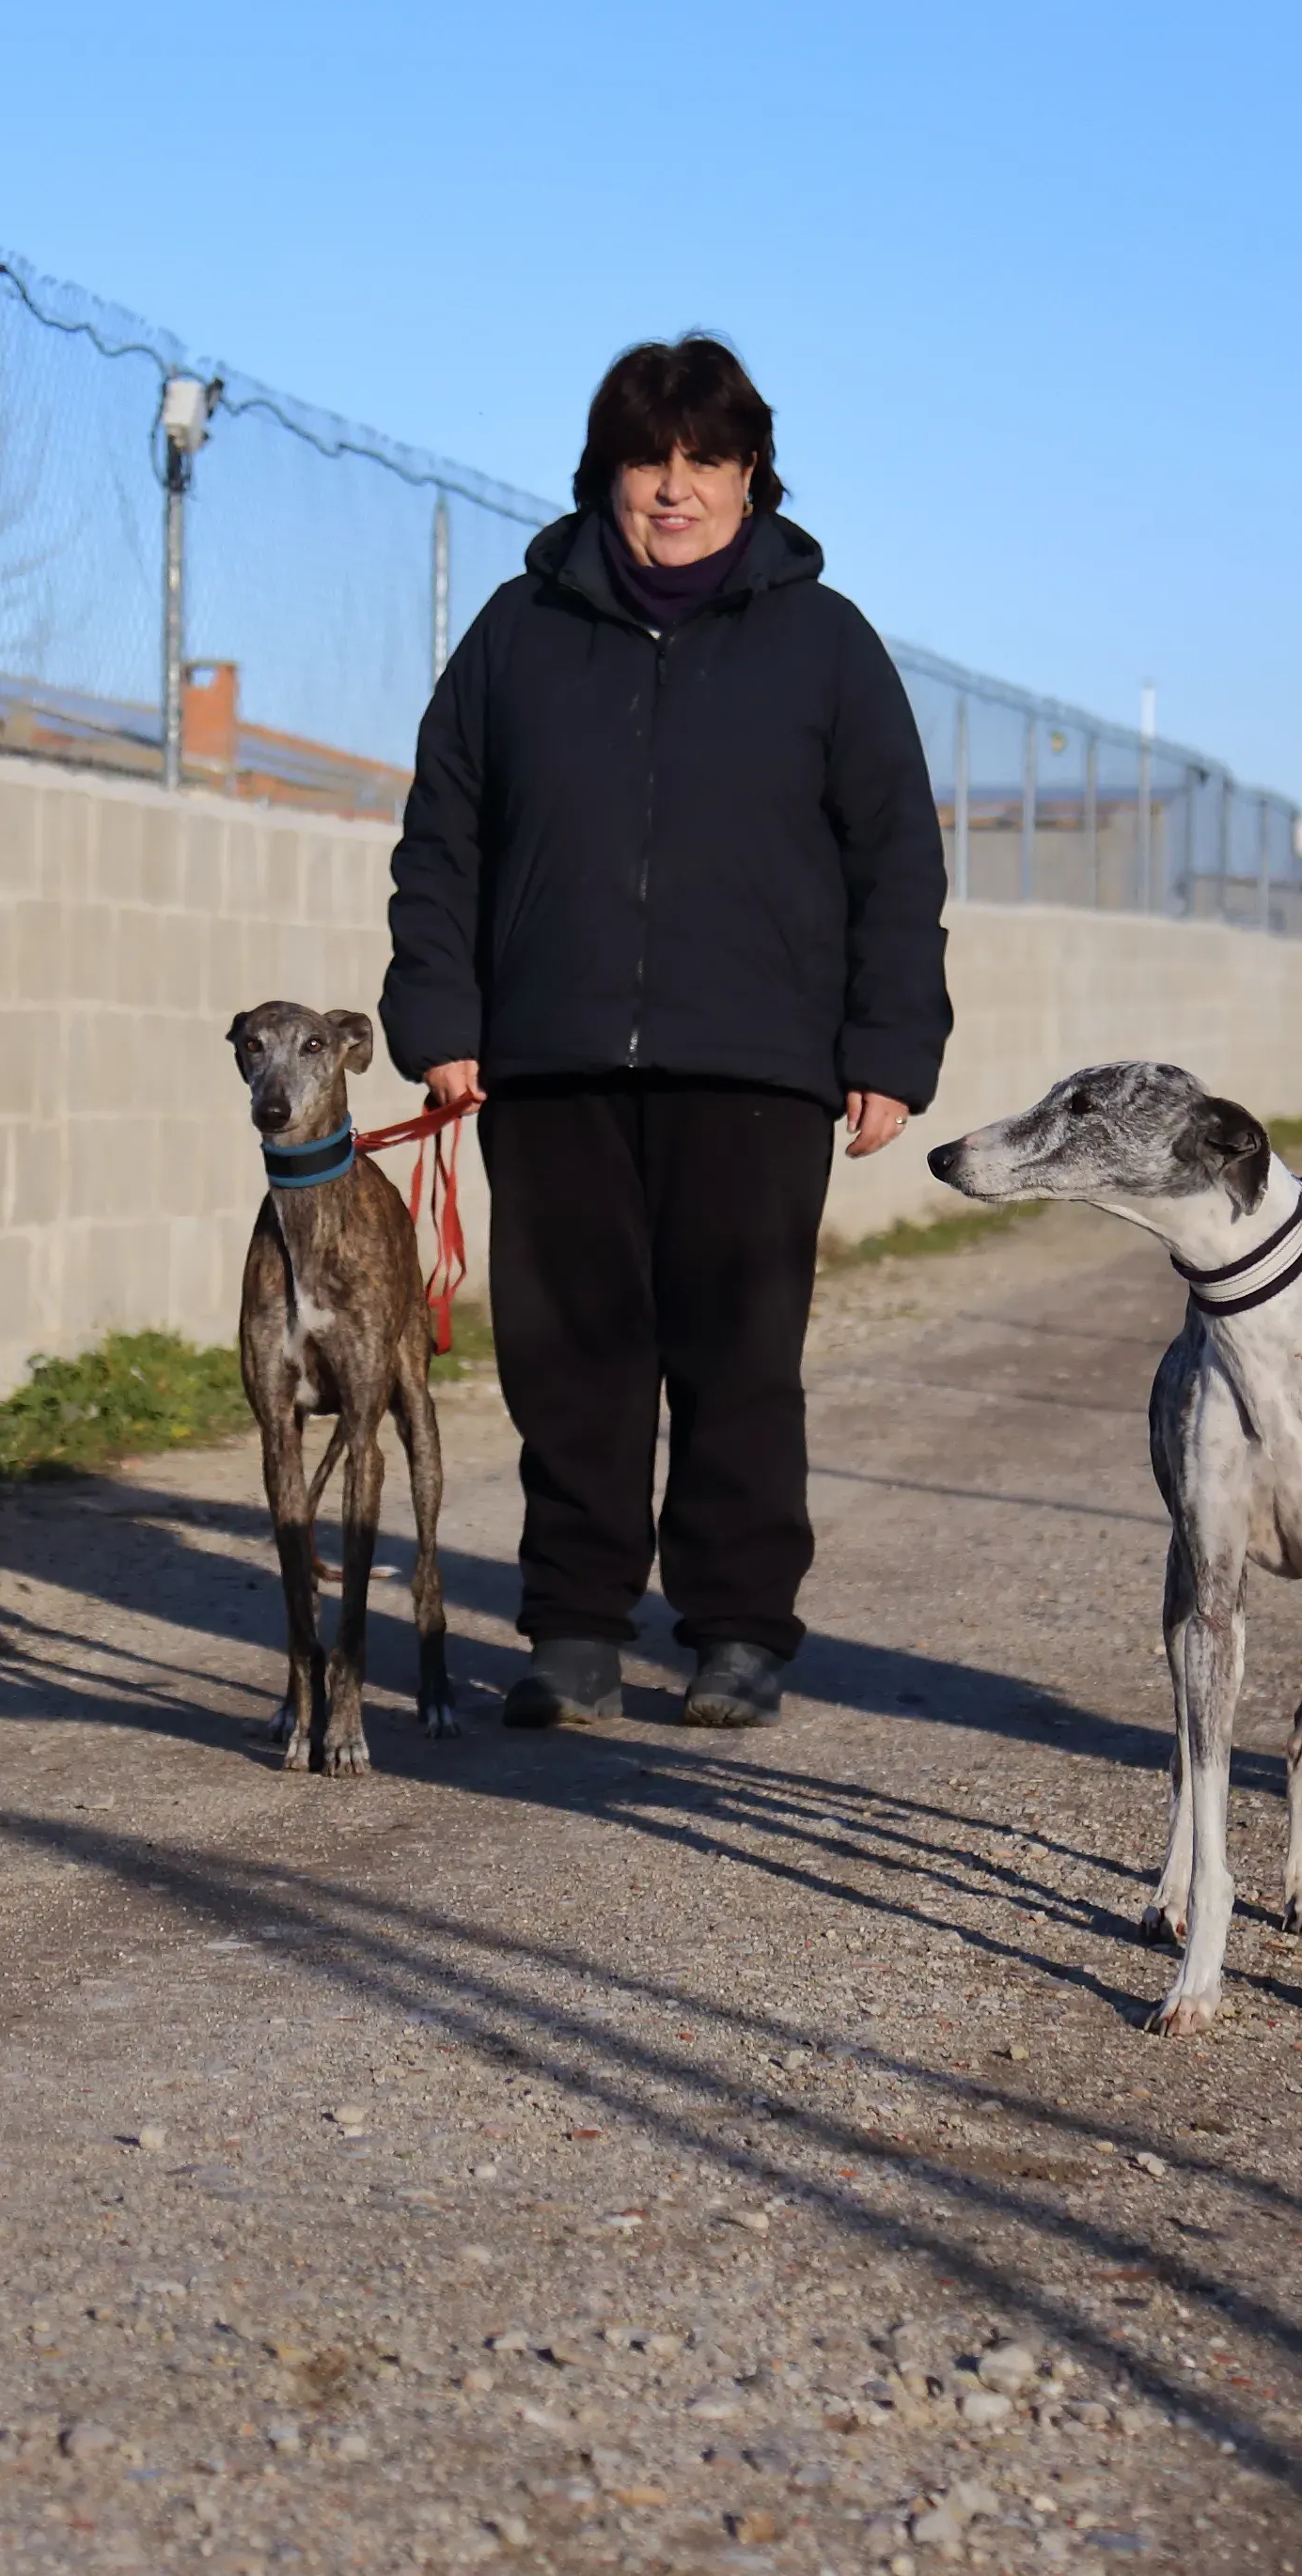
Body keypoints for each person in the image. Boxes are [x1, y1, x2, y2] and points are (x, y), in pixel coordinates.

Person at [384, 336, 949, 1734]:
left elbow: (896, 857)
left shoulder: (825, 644)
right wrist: (442, 1017)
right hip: (552, 1058)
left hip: (756, 1065)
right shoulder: (517, 633)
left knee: (738, 1358)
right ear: (607, 475)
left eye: (707, 460)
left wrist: (886, 1041)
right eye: (650, 459)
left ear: (752, 477)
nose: (676, 487)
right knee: (571, 1362)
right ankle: (574, 1628)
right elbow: (441, 840)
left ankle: (739, 1631)